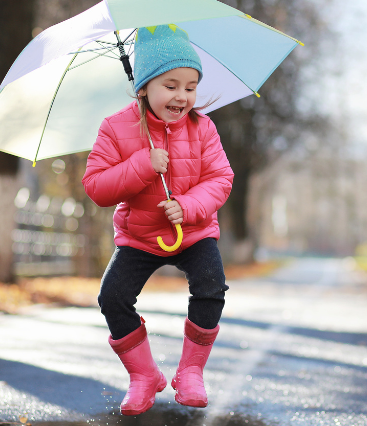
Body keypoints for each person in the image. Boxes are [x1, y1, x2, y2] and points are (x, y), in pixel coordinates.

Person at [82, 25, 233, 415]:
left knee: (211, 283)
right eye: (171, 85)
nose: (182, 96)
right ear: (145, 86)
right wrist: (140, 165)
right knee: (112, 297)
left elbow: (221, 178)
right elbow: (97, 187)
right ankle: (143, 376)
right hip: (141, 235)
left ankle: (191, 372)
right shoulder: (115, 128)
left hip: (194, 231)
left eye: (190, 86)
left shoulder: (204, 128)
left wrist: (188, 206)